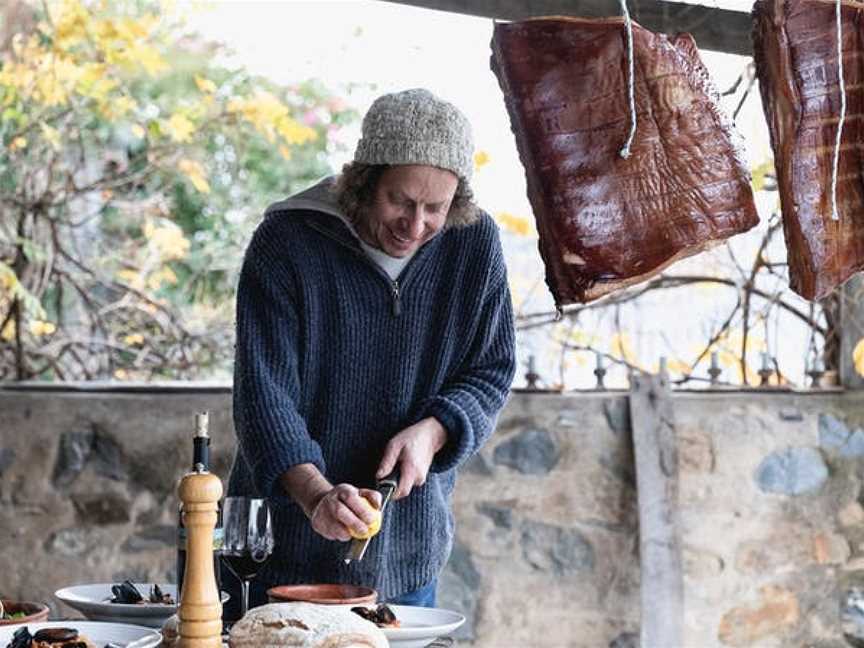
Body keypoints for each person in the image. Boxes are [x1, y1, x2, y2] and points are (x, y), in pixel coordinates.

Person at [224, 87, 516, 616]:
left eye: (436, 207)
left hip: (403, 560)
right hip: (276, 558)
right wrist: (315, 496)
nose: (416, 224)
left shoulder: (472, 244)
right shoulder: (287, 242)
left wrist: (434, 431)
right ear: (362, 183)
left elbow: (490, 371)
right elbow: (262, 396)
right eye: (400, 201)